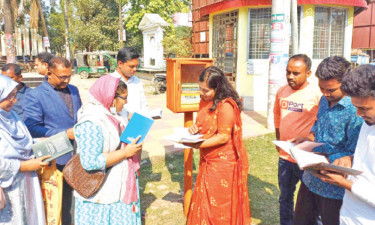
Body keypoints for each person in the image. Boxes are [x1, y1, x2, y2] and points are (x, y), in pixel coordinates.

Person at [293, 56, 364, 225]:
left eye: (331, 90)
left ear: (345, 84)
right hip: (310, 179)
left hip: (334, 189)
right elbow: (319, 123)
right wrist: (309, 138)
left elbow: (358, 153)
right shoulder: (325, 100)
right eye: (321, 88)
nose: (325, 93)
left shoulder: (357, 111)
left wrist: (346, 158)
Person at [184, 66, 251, 224]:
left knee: (220, 203)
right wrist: (194, 129)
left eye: (206, 90)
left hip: (223, 164)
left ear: (218, 88)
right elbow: (202, 124)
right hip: (208, 160)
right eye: (200, 89)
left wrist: (199, 145)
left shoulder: (226, 106)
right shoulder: (205, 101)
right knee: (205, 199)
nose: (202, 93)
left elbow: (223, 137)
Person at [74, 74, 143, 225]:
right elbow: (90, 162)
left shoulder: (115, 116)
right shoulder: (91, 122)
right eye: (124, 98)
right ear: (111, 97)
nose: (126, 102)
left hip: (118, 189)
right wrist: (125, 153)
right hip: (100, 195)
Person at [314, 64, 375, 224]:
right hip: (349, 216)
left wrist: (344, 183)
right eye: (356, 107)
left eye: (364, 108)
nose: (358, 114)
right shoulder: (368, 122)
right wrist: (350, 158)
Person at [23, 57, 82, 225]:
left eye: (69, 76)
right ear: (49, 72)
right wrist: (64, 134)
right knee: (57, 205)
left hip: (77, 156)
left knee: (74, 201)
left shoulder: (74, 90)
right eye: (62, 77)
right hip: (55, 158)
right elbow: (32, 127)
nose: (66, 80)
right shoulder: (35, 95)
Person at [273, 54, 322, 225]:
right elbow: (277, 115)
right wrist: (278, 138)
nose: (290, 77)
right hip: (285, 156)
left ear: (308, 74)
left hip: (306, 158)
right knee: (285, 197)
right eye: (288, 72)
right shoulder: (281, 91)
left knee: (310, 200)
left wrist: (310, 139)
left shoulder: (317, 94)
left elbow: (321, 122)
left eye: (295, 73)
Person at [0, 75, 50, 224]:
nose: (14, 101)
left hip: (27, 183)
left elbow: (23, 142)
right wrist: (23, 166)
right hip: (7, 188)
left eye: (14, 96)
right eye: (8, 97)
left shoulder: (12, 116)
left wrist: (38, 142)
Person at [111, 47, 148, 120]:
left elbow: (144, 105)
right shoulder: (110, 81)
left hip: (137, 125)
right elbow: (106, 110)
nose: (135, 69)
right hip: (118, 126)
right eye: (131, 66)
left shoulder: (137, 81)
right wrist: (126, 116)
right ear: (120, 64)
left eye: (136, 66)